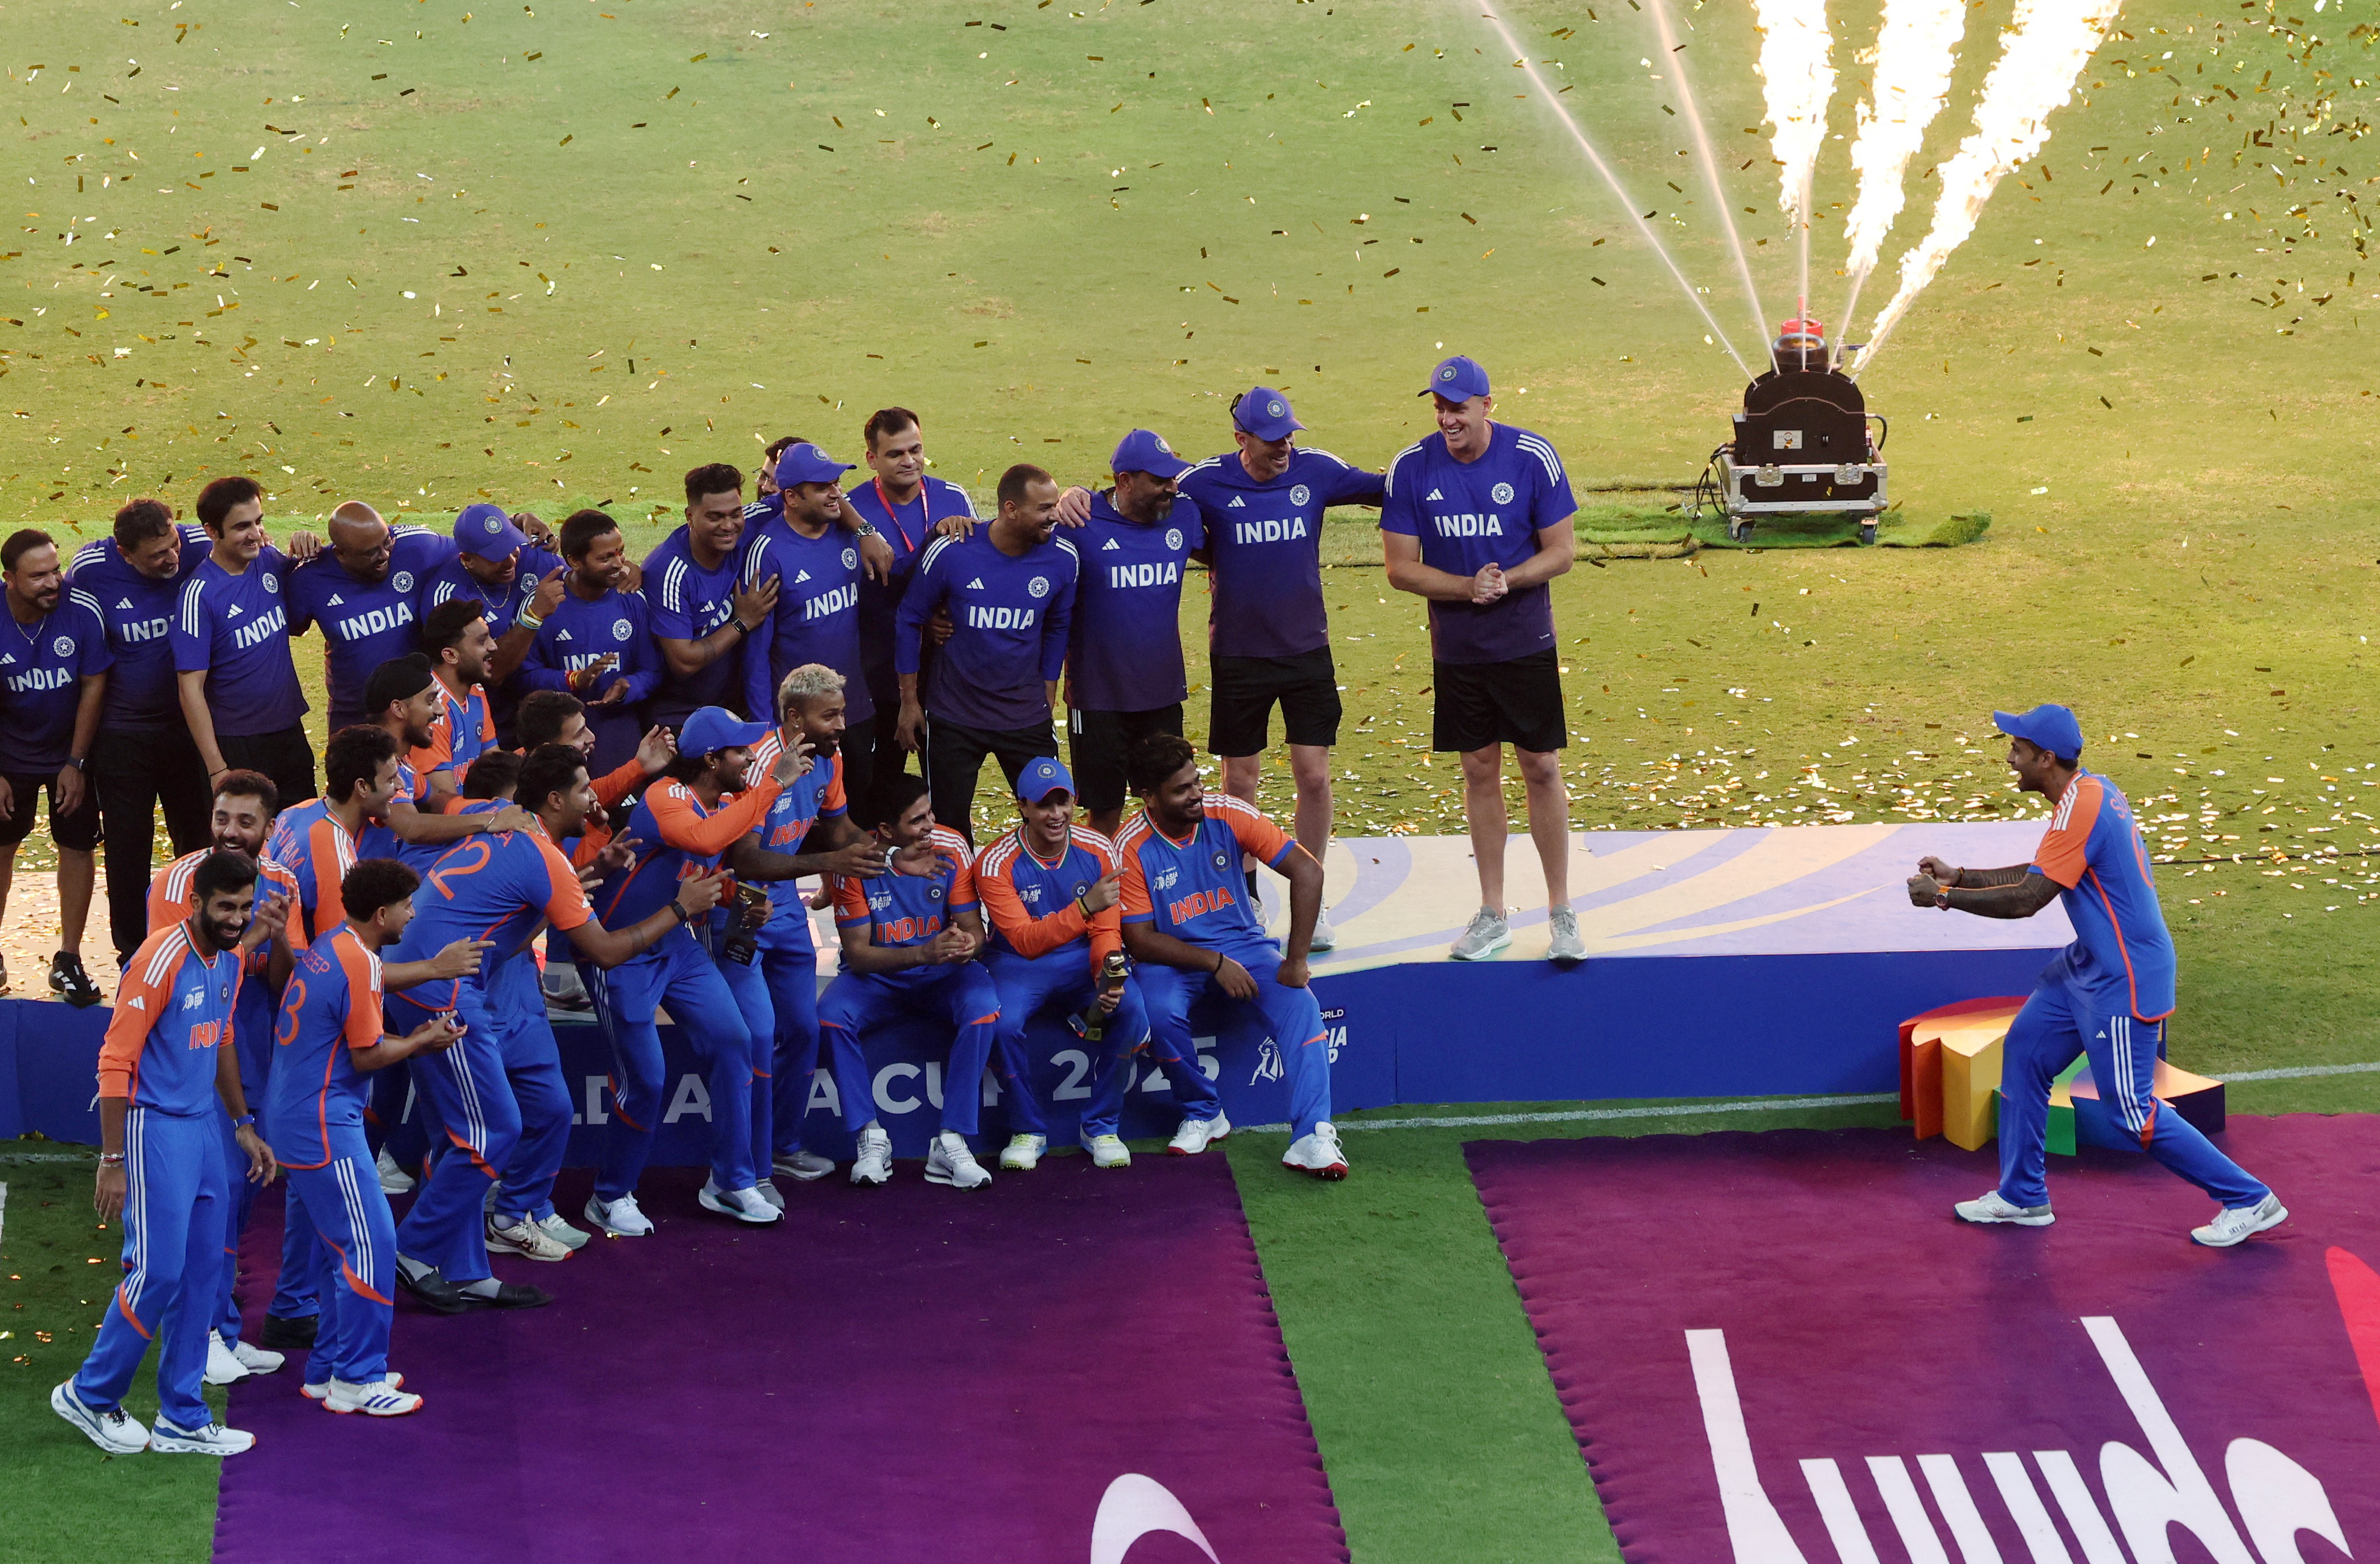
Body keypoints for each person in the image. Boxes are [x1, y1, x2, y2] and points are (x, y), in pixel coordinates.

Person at [1910, 704, 2288, 1248]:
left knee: (2131, 1111)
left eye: (2017, 749)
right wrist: (1963, 875)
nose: (2009, 758)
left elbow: (2027, 901)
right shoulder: (2087, 793)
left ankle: (2249, 1198)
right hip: (2086, 966)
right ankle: (2023, 1196)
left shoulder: (2081, 807)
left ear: (2046, 758)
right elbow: (2043, 871)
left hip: (2123, 977)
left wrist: (1945, 897)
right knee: (2025, 1052)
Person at [381, 743, 728, 1309]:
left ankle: (468, 1270)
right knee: (492, 1132)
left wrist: (577, 881)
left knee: (478, 1132)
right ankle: (413, 1247)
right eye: (585, 788)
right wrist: (680, 909)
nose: (595, 798)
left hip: (428, 982)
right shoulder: (542, 857)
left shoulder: (509, 838)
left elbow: (511, 936)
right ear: (553, 798)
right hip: (437, 991)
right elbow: (607, 953)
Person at [50, 850, 275, 1457]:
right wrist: (113, 1159)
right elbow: (114, 1061)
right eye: (225, 907)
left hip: (204, 1126)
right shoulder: (157, 960)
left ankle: (182, 1416)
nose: (235, 918)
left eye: (244, 908)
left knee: (205, 1273)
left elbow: (221, 1035)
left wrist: (242, 1123)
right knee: (158, 1271)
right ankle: (90, 1394)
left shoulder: (226, 960)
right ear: (197, 902)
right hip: (155, 1130)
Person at [1381, 356, 1583, 965]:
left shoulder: (1532, 458)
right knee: (1477, 769)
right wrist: (1467, 588)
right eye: (1439, 407)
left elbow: (1563, 552)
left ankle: (1562, 911)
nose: (1447, 418)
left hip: (1525, 644)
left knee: (1541, 767)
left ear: (1486, 406)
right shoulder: (1411, 468)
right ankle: (1492, 912)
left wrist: (1508, 581)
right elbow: (1399, 568)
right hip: (1459, 650)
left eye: (1458, 407)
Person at [1176, 388, 1384, 952]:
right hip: (1239, 655)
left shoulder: (1316, 472)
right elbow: (1142, 492)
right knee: (1240, 779)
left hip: (1305, 651)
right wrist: (1076, 497)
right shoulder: (1203, 482)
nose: (1285, 448)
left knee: (1313, 775)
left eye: (1291, 435)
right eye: (1273, 441)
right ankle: (1244, 894)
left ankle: (1308, 899)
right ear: (1240, 439)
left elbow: (1389, 487)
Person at [585, 707, 808, 1231]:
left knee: (737, 1041)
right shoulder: (666, 795)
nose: (753, 757)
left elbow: (708, 868)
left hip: (675, 944)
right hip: (621, 951)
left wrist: (743, 899)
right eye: (740, 751)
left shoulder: (728, 802)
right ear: (711, 759)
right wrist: (773, 786)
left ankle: (731, 1181)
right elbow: (704, 842)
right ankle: (610, 1195)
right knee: (646, 1079)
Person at [268, 857, 460, 1417]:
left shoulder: (337, 945)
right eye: (406, 905)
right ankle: (359, 1378)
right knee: (371, 1244)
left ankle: (329, 1369)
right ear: (383, 913)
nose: (412, 912)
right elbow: (368, 1054)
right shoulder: (357, 961)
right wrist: (421, 1042)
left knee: (340, 1247)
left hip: (300, 1117)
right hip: (323, 1125)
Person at [1115, 734, 1345, 1179]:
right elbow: (1140, 940)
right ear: (1149, 797)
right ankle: (1204, 1112)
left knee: (1302, 1005)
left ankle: (1313, 1135)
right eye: (1181, 789)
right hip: (1173, 959)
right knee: (1157, 1010)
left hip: (1246, 946)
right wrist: (1214, 964)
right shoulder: (1130, 845)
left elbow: (1308, 871)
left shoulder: (1228, 812)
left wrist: (1295, 960)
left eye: (1197, 781)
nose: (1197, 793)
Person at [146, 771, 312, 1374]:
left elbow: (286, 979)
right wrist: (255, 936)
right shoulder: (176, 881)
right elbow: (182, 976)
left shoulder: (283, 883)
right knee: (212, 1194)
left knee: (241, 1187)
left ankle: (218, 1324)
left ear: (270, 829)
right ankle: (197, 1336)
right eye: (223, 819)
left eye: (246, 822)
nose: (231, 833)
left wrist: (278, 934)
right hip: (194, 1051)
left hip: (255, 1047)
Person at [742, 665, 894, 1192]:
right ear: (793, 716)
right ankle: (747, 1163)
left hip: (784, 906)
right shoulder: (759, 763)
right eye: (829, 715)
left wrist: (890, 855)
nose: (841, 724)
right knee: (756, 1035)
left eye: (842, 713)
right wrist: (831, 861)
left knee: (804, 1030)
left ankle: (783, 1147)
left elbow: (842, 829)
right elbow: (747, 860)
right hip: (740, 908)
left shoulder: (830, 761)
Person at [973, 756, 1165, 1172]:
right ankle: (1027, 1129)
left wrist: (1108, 975)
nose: (1056, 814)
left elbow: (1106, 930)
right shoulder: (994, 861)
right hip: (1017, 963)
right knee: (1002, 1023)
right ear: (1022, 806)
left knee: (1130, 1008)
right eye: (1044, 805)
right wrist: (1083, 907)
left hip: (1081, 957)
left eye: (1063, 802)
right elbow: (1024, 940)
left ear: (1075, 801)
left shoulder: (1099, 848)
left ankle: (1101, 1125)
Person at [817, 772, 1001, 1190]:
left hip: (942, 975)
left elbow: (976, 933)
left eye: (930, 812)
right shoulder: (856, 862)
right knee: (830, 1014)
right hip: (879, 979)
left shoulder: (951, 847)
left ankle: (951, 1140)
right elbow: (860, 956)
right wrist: (923, 952)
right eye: (917, 820)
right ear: (885, 830)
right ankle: (870, 1136)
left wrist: (962, 945)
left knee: (983, 1006)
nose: (930, 825)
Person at [894, 463, 1078, 842]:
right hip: (953, 717)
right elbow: (910, 617)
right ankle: (955, 902)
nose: (1053, 516)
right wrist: (909, 702)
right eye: (1044, 509)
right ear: (1010, 509)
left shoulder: (1063, 558)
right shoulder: (953, 550)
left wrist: (1049, 682)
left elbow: (1059, 624)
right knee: (948, 831)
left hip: (1024, 716)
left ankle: (1036, 897)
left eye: (1055, 505)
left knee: (1051, 821)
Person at [71, 499, 217, 970]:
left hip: (184, 729)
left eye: (172, 545)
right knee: (126, 846)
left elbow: (249, 555)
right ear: (124, 552)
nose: (172, 559)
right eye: (157, 555)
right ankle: (133, 952)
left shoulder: (197, 544)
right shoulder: (91, 569)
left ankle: (200, 939)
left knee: (195, 838)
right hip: (123, 735)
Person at [1064, 431, 1205, 841]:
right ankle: (1107, 902)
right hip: (1098, 700)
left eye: (1173, 477)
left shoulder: (1184, 514)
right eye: (1160, 480)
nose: (1171, 487)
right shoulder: (1080, 520)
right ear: (1124, 482)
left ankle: (1169, 896)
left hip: (1162, 695)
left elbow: (1221, 552)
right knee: (1105, 814)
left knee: (1172, 805)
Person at [0, 528, 111, 1005]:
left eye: (56, 569)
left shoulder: (80, 610)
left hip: (68, 749)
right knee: (2, 844)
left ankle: (68, 957)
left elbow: (93, 684)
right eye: (39, 575)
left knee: (77, 843)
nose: (54, 582)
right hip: (9, 754)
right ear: (9, 579)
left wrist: (76, 761)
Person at [844, 408, 971, 803]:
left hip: (945, 668)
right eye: (896, 453)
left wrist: (940, 613)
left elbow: (974, 573)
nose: (910, 460)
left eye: (916, 449)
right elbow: (870, 587)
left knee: (948, 781)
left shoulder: (954, 496)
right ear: (872, 459)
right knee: (876, 780)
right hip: (879, 667)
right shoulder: (852, 510)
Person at [742, 444, 878, 814]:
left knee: (858, 810)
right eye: (822, 487)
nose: (836, 493)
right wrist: (764, 729)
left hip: (855, 707)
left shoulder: (849, 534)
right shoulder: (768, 551)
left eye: (836, 483)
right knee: (798, 819)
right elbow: (756, 653)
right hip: (799, 719)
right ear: (791, 497)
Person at [175, 475, 316, 806]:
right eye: (241, 527)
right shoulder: (199, 595)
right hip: (237, 745)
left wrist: (306, 543)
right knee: (243, 851)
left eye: (259, 522)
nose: (255, 534)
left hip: (289, 732)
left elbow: (304, 576)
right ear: (212, 531)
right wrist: (216, 768)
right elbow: (190, 688)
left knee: (300, 838)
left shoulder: (268, 561)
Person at [285, 500, 461, 732]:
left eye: (387, 541)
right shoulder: (309, 578)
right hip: (355, 719)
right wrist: (288, 563)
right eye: (371, 552)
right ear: (341, 554)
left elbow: (476, 546)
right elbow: (291, 626)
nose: (385, 555)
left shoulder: (417, 545)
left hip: (420, 714)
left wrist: (517, 522)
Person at [517, 509, 661, 777]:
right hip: (562, 737)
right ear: (575, 561)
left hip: (618, 728)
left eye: (620, 552)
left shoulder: (632, 600)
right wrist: (573, 680)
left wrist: (630, 686)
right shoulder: (546, 604)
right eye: (605, 558)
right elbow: (525, 677)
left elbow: (652, 671)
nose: (619, 564)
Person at [422, 503, 563, 745]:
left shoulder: (526, 553)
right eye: (496, 556)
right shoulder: (448, 599)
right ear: (468, 559)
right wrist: (533, 616)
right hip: (481, 720)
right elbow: (491, 672)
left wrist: (628, 573)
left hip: (534, 707)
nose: (510, 561)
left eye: (512, 547)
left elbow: (582, 577)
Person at [647, 462, 774, 727]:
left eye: (735, 513)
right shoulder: (669, 571)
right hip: (681, 718)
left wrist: (864, 532)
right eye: (715, 517)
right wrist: (742, 623)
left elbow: (813, 492)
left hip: (734, 708)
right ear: (690, 516)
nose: (729, 526)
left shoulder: (749, 523)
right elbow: (683, 661)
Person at [411, 601, 500, 811]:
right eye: (482, 641)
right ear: (450, 655)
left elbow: (497, 768)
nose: (494, 646)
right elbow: (443, 805)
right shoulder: (431, 711)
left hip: (470, 814)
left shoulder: (476, 691)